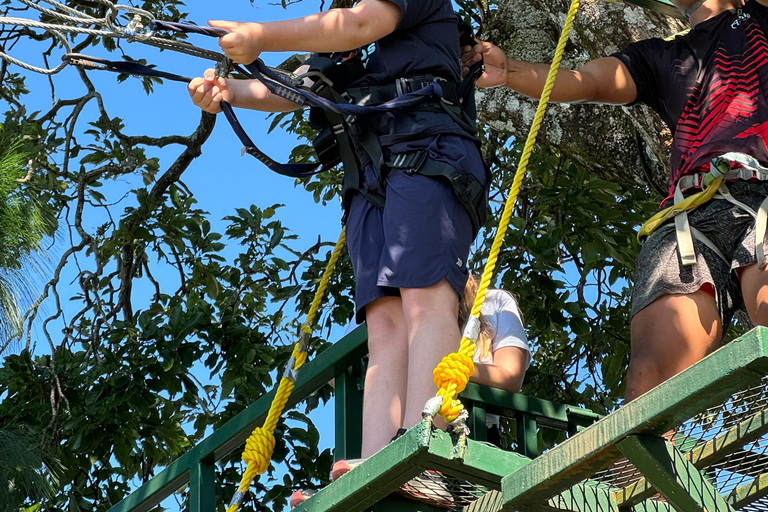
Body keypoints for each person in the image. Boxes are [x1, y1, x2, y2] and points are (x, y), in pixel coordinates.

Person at [187, 0, 490, 502]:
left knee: (424, 299)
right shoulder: (339, 28)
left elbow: (363, 24)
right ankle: (378, 462)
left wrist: (259, 35)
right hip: (372, 175)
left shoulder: (381, 10)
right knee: (383, 322)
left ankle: (427, 450)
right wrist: (230, 91)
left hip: (429, 151)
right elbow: (298, 89)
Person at [461, 0, 768, 404]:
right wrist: (509, 71)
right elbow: (585, 80)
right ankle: (633, 469)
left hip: (761, 190)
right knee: (647, 388)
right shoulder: (663, 55)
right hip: (691, 214)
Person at [460, 275, 531, 447]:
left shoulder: (493, 302)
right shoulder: (406, 305)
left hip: (477, 432)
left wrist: (459, 368)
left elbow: (510, 375)